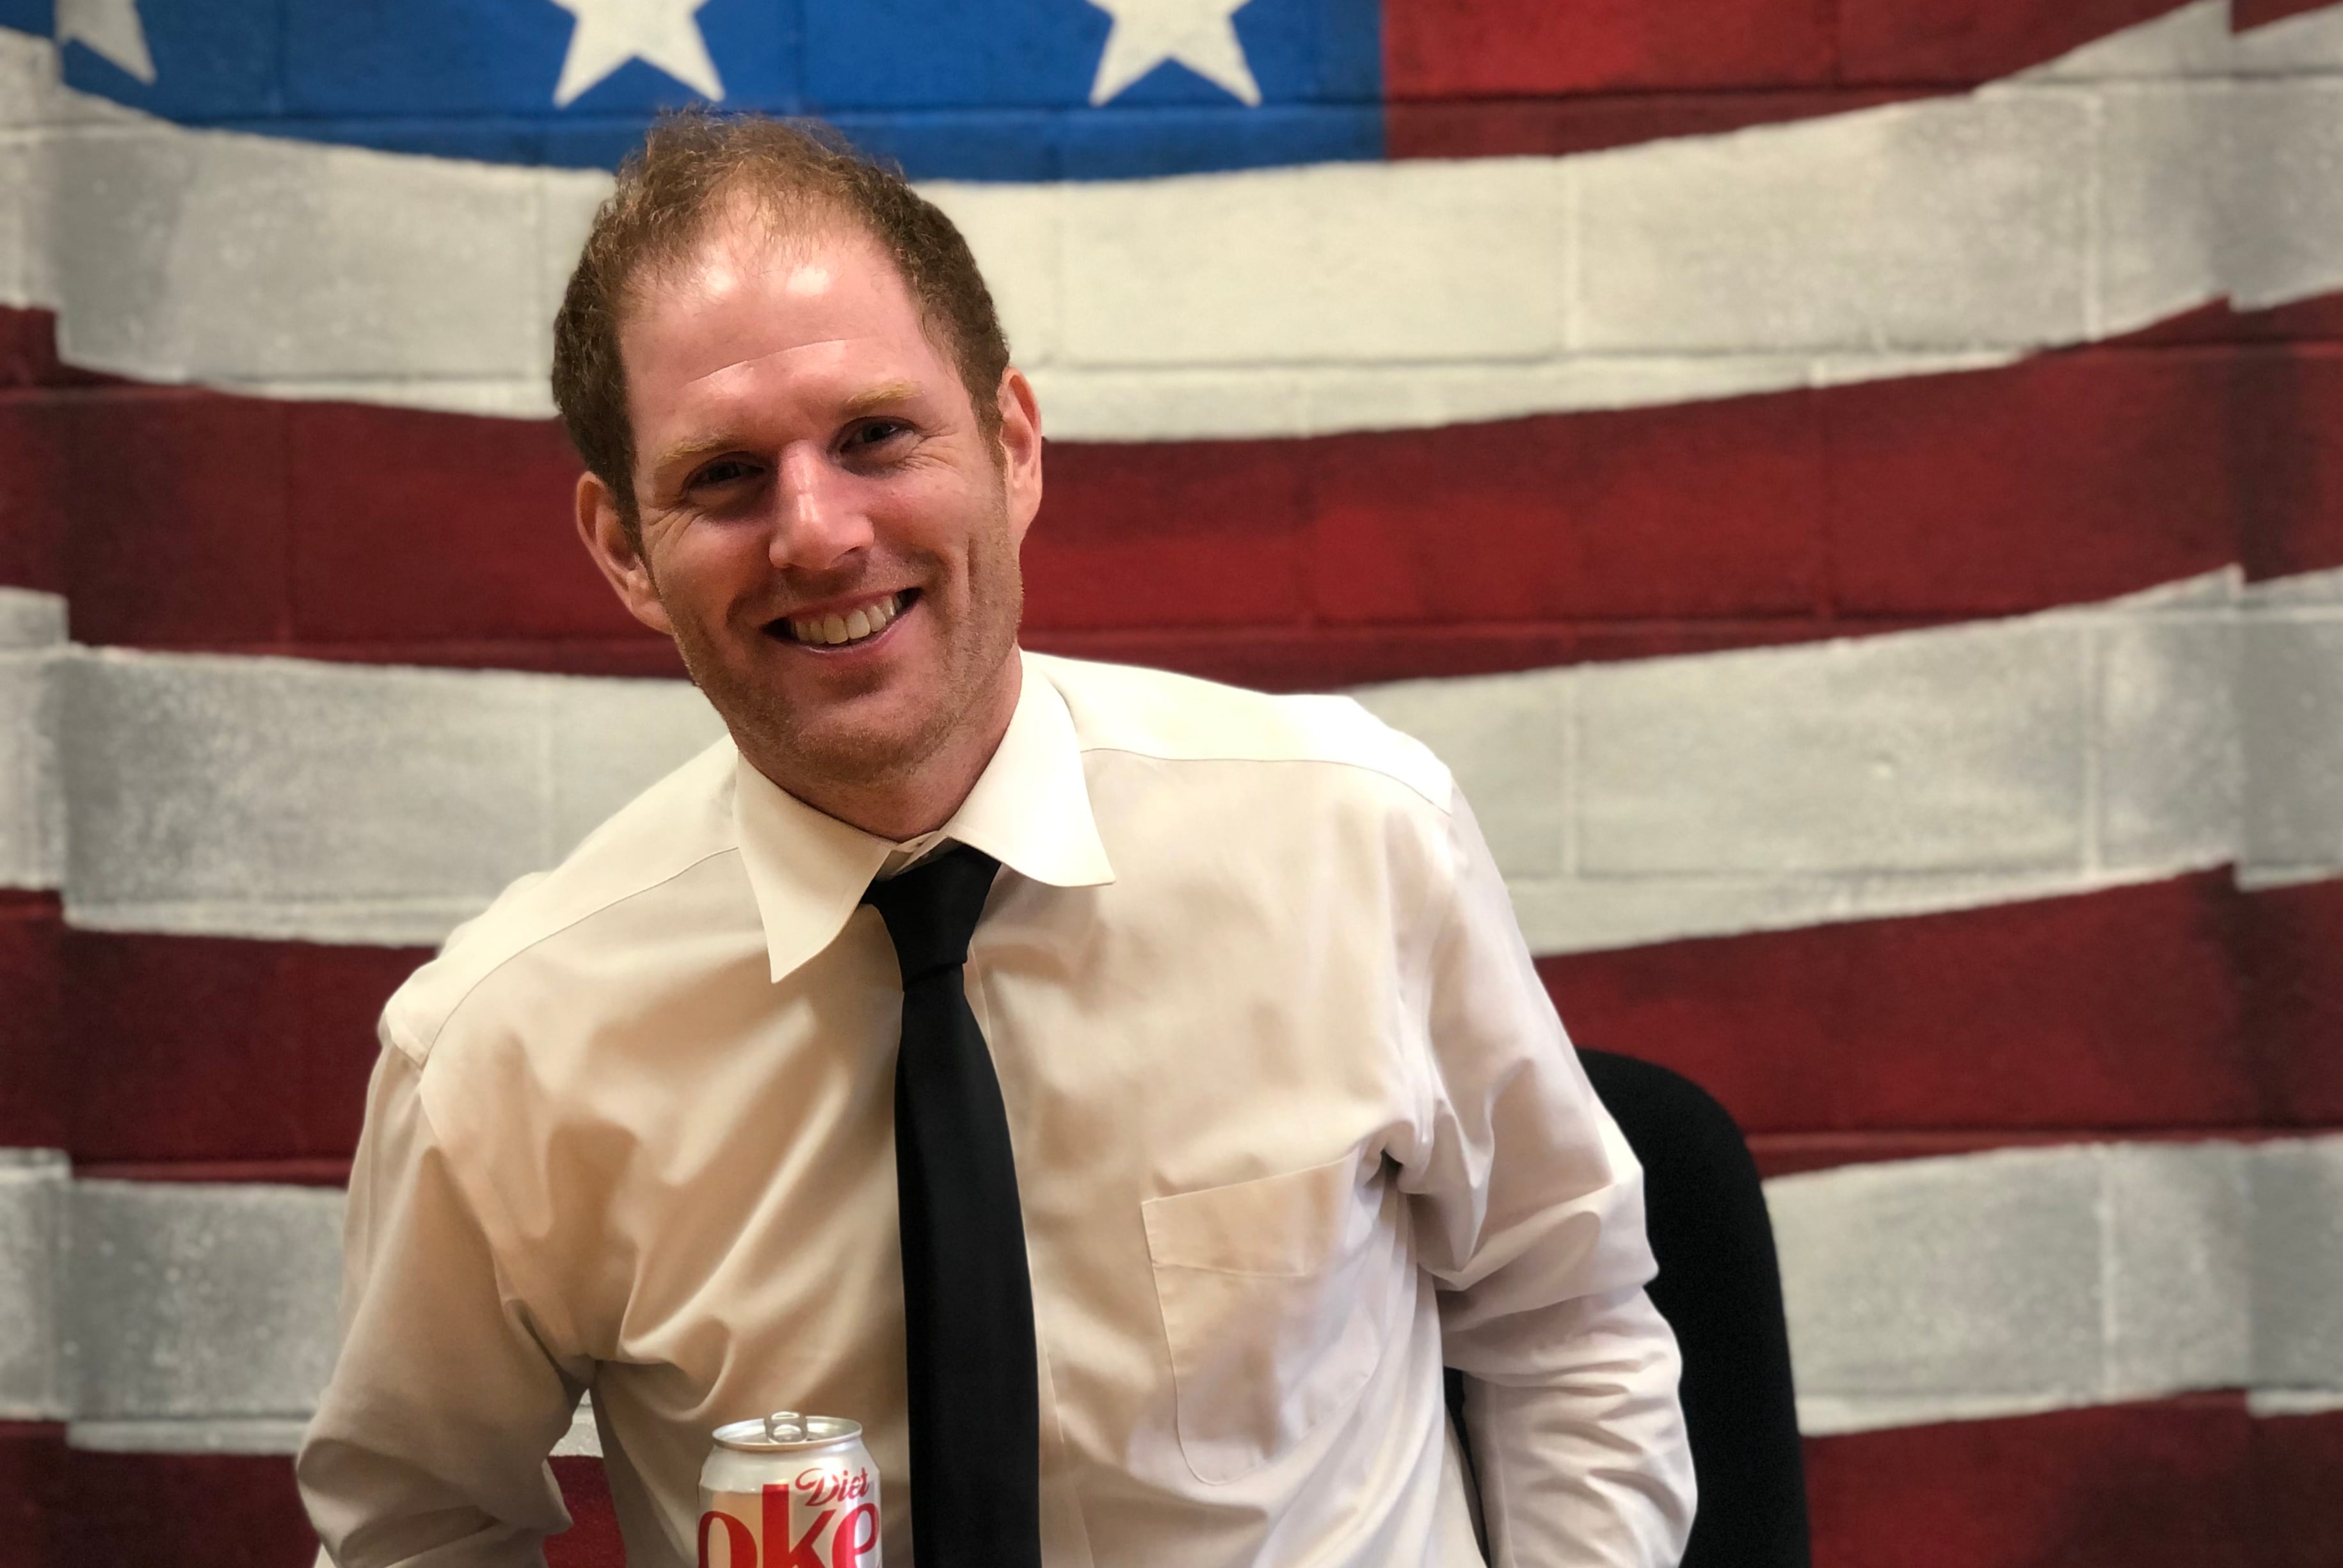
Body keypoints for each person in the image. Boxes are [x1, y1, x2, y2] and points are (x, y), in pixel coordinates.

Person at [296, 111, 1695, 1568]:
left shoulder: (1354, 839)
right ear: (622, 552)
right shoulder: (503, 1049)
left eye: (877, 436)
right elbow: (417, 1527)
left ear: (1012, 448)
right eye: (723, 477)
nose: (820, 535)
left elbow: (1568, 1325)